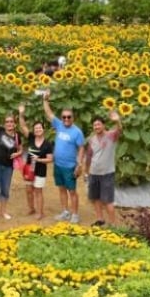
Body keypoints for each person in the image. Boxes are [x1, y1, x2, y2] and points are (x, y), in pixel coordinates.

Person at [42, 91, 85, 224]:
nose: (66, 119)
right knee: (61, 188)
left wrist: (79, 164)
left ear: (73, 118)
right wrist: (45, 100)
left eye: (69, 117)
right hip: (58, 165)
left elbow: (81, 148)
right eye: (64, 117)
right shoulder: (59, 125)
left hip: (69, 166)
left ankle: (75, 214)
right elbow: (49, 114)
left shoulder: (77, 132)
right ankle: (65, 212)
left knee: (72, 191)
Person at [84, 111, 122, 227]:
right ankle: (100, 219)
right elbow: (89, 156)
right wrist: (86, 171)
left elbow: (119, 130)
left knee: (108, 201)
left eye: (99, 124)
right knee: (95, 198)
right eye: (95, 125)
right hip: (94, 173)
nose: (97, 127)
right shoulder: (92, 140)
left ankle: (113, 224)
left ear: (103, 125)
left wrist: (117, 120)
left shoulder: (111, 136)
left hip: (107, 173)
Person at [18, 104, 54, 220]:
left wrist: (39, 160)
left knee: (38, 191)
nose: (38, 130)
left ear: (43, 130)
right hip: (29, 169)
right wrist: (21, 114)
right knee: (29, 190)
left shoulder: (47, 144)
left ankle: (40, 212)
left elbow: (50, 159)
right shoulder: (32, 138)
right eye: (36, 128)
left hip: (40, 170)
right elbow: (23, 126)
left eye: (40, 128)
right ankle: (31, 208)